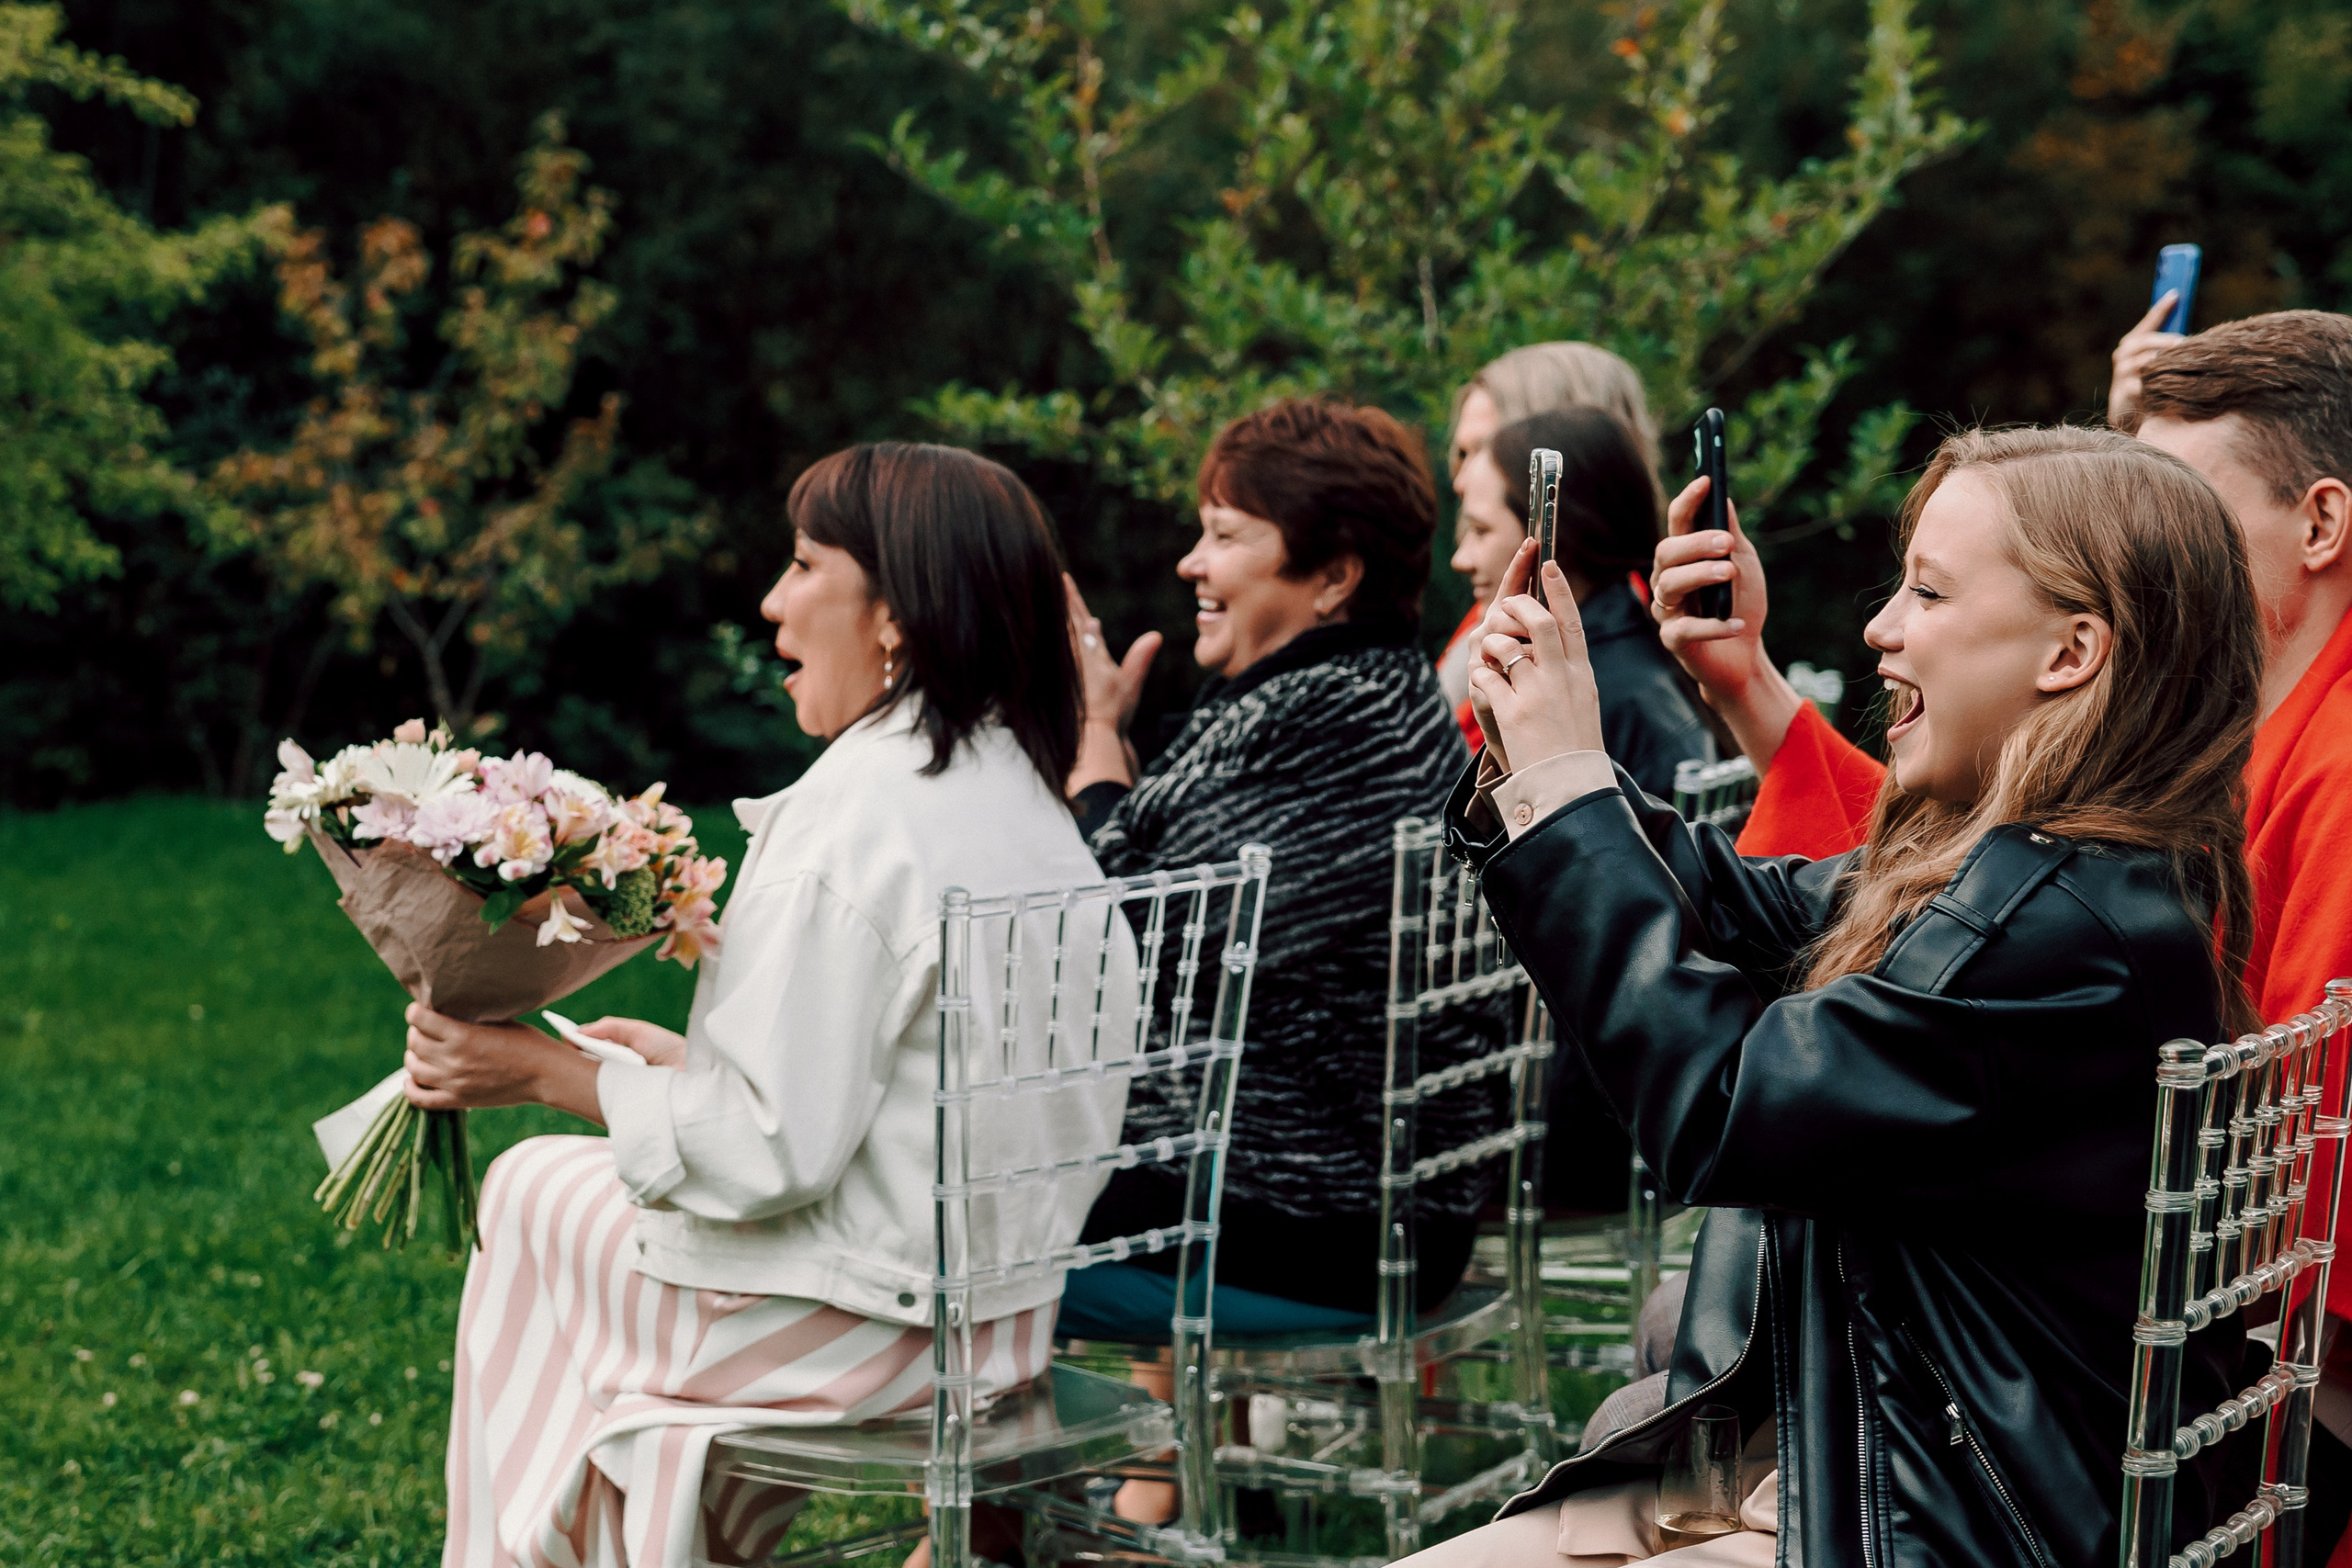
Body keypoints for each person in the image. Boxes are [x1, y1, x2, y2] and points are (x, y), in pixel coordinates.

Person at [1418, 426, 2256, 1565]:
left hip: (1942, 1525)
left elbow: (1720, 1109)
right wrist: (1551, 769)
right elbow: (1755, 907)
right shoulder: (2063, 879)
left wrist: (1568, 788)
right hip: (1900, 1464)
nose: (1879, 626)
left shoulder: (2055, 931)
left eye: (1926, 590)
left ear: (2071, 651)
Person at [401, 444, 1131, 1568]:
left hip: (866, 1342)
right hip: (1003, 1326)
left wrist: (547, 1076)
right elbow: (883, 1093)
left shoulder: (858, 816)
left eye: (801, 567)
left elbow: (765, 1151)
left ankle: (528, 1550)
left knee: (528, 1185)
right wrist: (664, 1072)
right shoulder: (1020, 797)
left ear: (896, 615)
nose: (771, 601)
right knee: (566, 1204)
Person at [1059, 398, 1496, 1339]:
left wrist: (1095, 748)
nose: (1191, 563)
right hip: (1340, 1198)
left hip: (1306, 1221)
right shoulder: (1360, 695)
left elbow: (1125, 945)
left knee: (939, 1216)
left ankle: (1009, 1479)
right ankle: (1116, 1480)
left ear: (1334, 576)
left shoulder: (1321, 727)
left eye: (1222, 536)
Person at [1438, 344, 1666, 744]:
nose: (1461, 478)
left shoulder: (1615, 668)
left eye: (1486, 448)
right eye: (1462, 453)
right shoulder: (1500, 616)